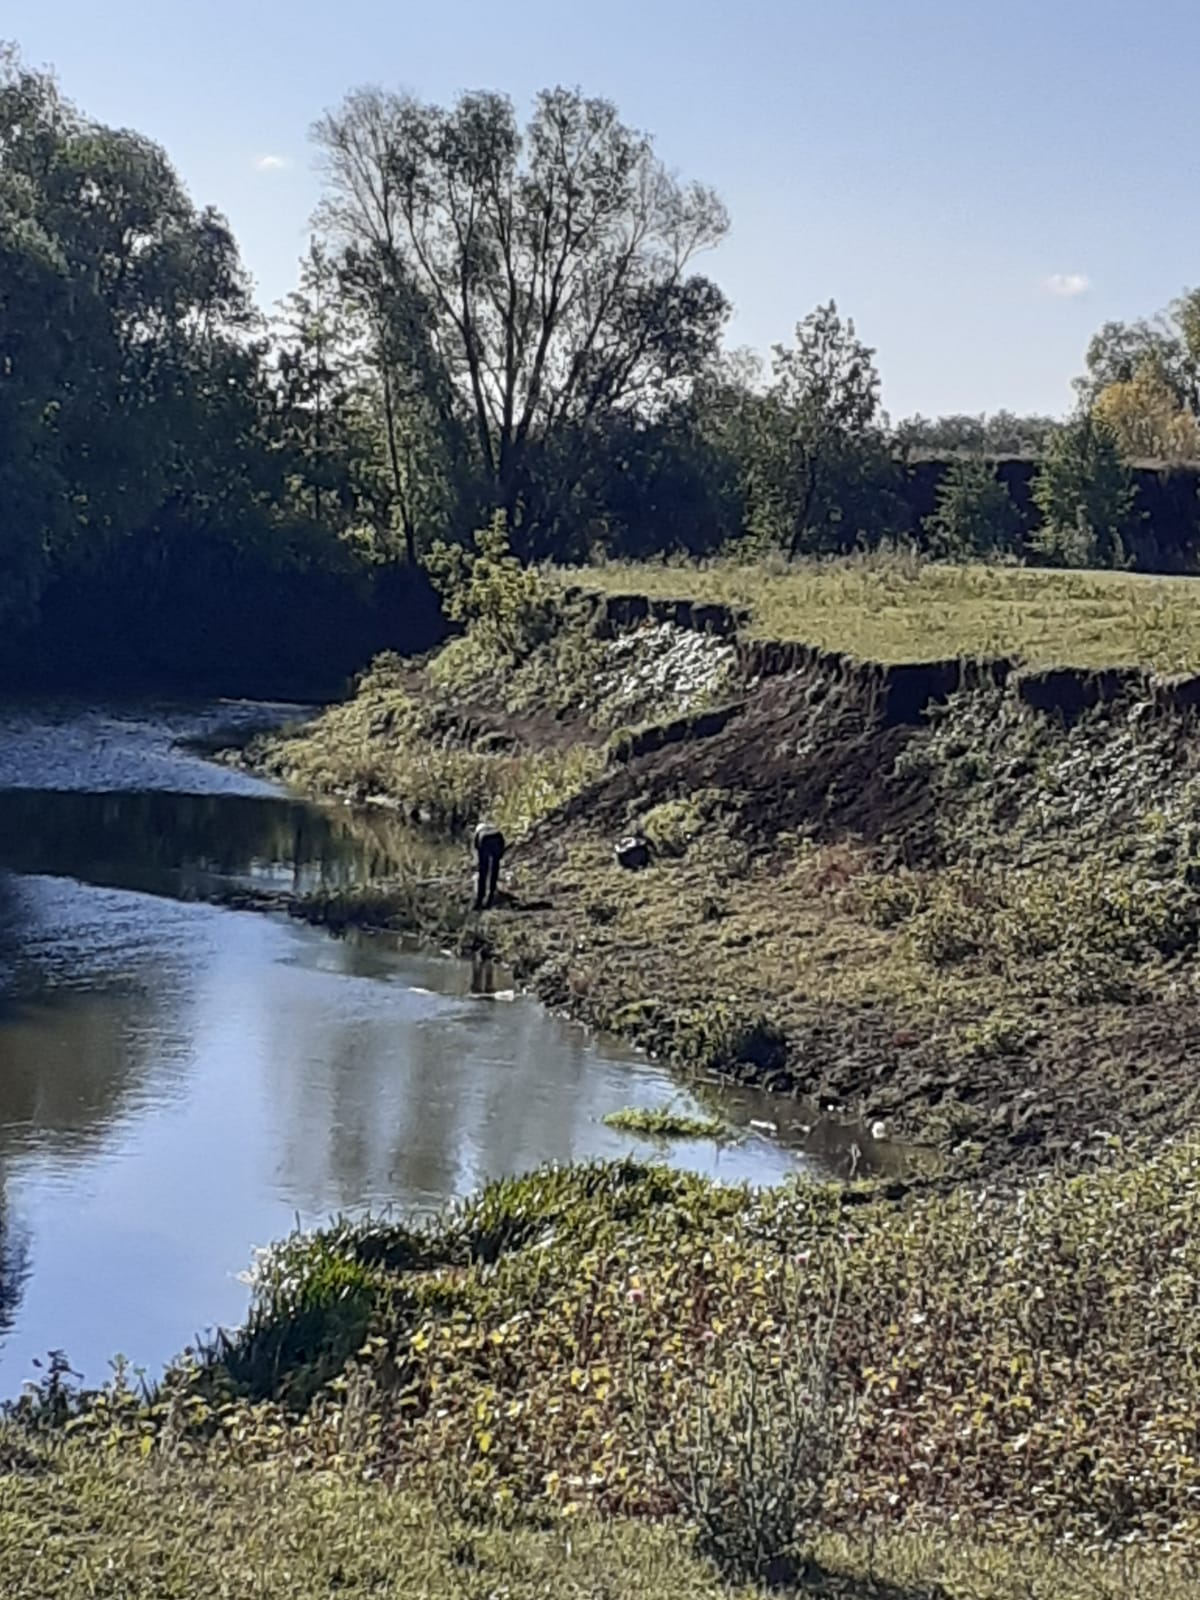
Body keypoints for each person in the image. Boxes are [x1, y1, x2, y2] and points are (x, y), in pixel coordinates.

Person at [473, 821, 506, 910]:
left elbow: (477, 847)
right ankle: (491, 896)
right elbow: (502, 844)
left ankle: (480, 899)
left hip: (485, 840)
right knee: (494, 869)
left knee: (483, 871)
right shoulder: (494, 828)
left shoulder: (478, 832)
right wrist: (499, 856)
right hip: (498, 838)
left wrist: (479, 864)